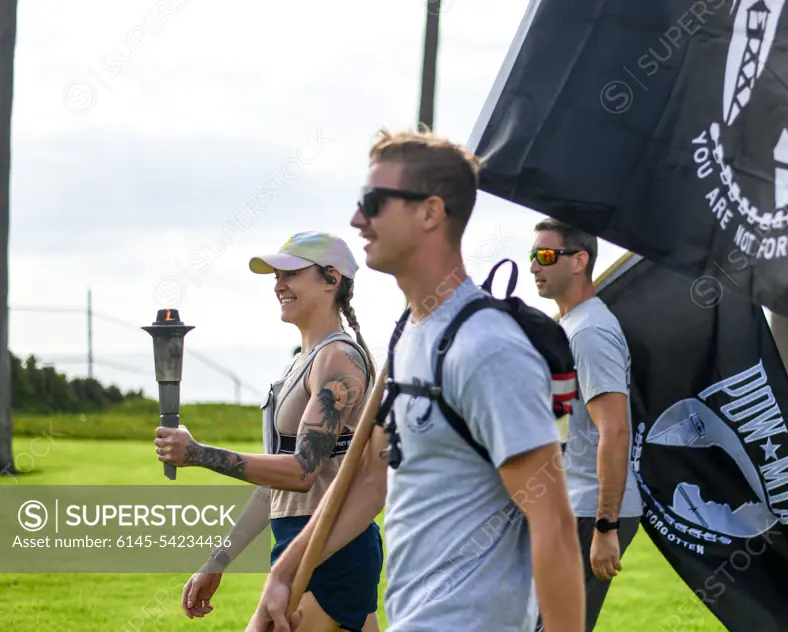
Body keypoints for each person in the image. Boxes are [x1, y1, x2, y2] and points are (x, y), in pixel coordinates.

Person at [244, 128, 586, 632]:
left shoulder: (485, 348)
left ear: (429, 213)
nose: (358, 219)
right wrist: (286, 570)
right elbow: (368, 476)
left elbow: (553, 525)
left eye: (374, 202)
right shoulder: (410, 333)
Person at [153, 230, 384, 632]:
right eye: (276, 275)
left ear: (331, 279)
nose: (278, 285)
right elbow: (275, 487)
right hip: (301, 542)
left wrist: (198, 454)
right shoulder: (303, 362)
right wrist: (219, 559)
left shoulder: (339, 359)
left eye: (291, 273)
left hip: (328, 549)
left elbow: (300, 472)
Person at [529, 218, 644, 632]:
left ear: (579, 261)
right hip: (568, 505)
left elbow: (614, 430)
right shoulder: (570, 327)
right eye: (532, 256)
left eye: (545, 256)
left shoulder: (591, 331)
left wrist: (606, 525)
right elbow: (563, 426)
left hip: (591, 510)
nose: (533, 267)